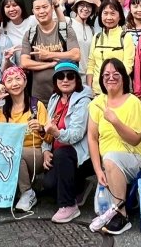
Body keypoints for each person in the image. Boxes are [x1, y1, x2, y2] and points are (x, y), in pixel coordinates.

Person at [87, 58, 141, 235]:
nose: (111, 78)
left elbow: (136, 139)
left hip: (134, 159)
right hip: (109, 164)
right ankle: (123, 202)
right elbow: (92, 138)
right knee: (100, 209)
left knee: (111, 158)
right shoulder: (97, 103)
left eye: (116, 74)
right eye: (106, 75)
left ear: (124, 78)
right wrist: (98, 170)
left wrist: (115, 121)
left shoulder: (133, 102)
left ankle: (121, 216)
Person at [0, 66, 49, 212]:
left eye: (18, 79)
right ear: (4, 86)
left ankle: (27, 193)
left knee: (14, 152)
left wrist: (41, 128)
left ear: (25, 81)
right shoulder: (4, 110)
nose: (14, 84)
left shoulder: (36, 106)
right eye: (9, 81)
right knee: (10, 152)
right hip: (14, 153)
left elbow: (49, 135)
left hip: (36, 152)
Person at [39, 61, 93, 223]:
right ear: (55, 81)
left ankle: (69, 206)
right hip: (59, 153)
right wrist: (46, 150)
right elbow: (49, 127)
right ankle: (79, 187)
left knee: (63, 153)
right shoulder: (54, 99)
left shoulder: (84, 100)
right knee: (49, 185)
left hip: (79, 154)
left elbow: (76, 134)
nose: (65, 80)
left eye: (70, 76)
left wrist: (56, 133)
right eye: (60, 77)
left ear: (76, 79)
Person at [20, 0, 81, 103]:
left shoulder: (65, 29)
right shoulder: (30, 34)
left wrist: (49, 55)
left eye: (45, 7)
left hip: (66, 97)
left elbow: (76, 55)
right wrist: (50, 64)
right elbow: (25, 62)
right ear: (33, 12)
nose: (41, 11)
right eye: (37, 8)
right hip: (39, 98)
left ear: (52, 8)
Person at [86, 0, 135, 90]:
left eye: (113, 14)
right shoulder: (97, 37)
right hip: (96, 91)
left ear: (120, 16)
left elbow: (128, 66)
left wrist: (112, 81)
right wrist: (89, 88)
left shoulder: (125, 37)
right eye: (105, 13)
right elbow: (91, 65)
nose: (108, 17)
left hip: (118, 91)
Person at [69, 0, 101, 74]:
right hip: (71, 74)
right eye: (82, 5)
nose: (85, 9)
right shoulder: (68, 23)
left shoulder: (92, 29)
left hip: (88, 75)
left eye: (89, 6)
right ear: (76, 8)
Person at [0, 0, 33, 64]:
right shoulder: (2, 26)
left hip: (35, 66)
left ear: (21, 6)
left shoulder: (33, 20)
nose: (11, 9)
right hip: (15, 71)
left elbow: (59, 22)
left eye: (15, 5)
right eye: (7, 6)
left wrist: (58, 5)